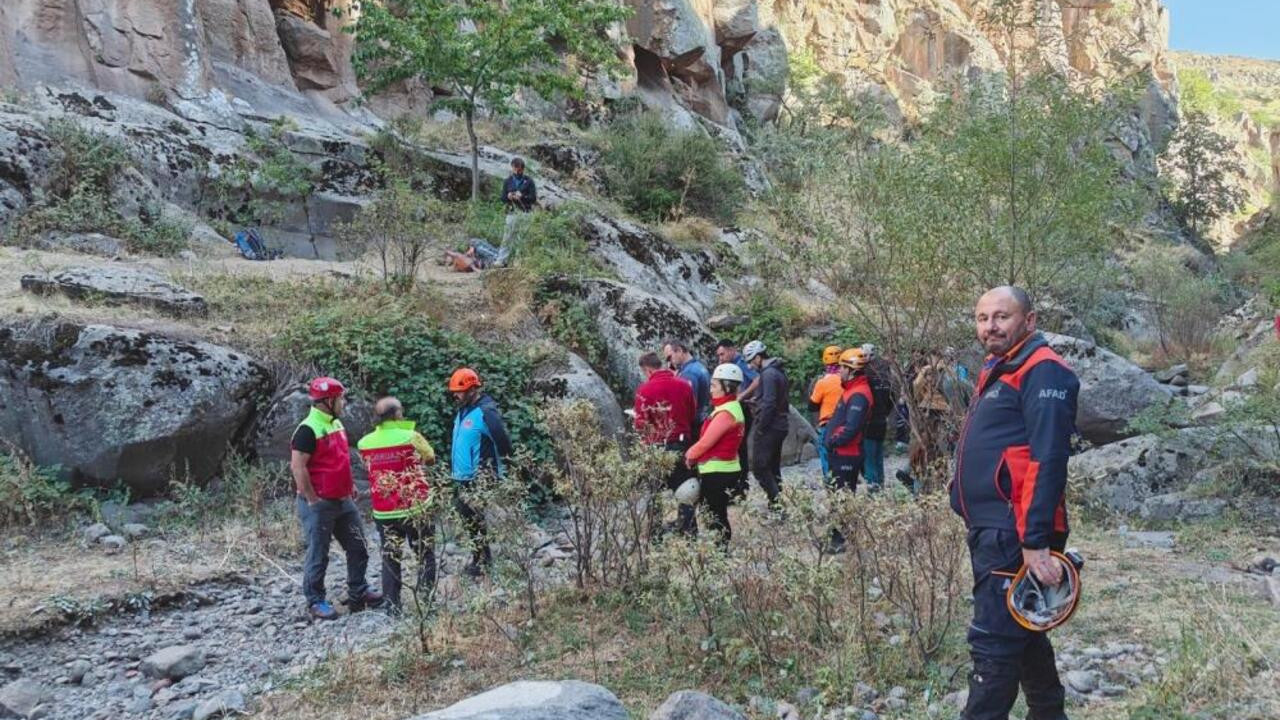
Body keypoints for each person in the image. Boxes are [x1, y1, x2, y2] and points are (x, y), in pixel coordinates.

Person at [951, 286, 1079, 720]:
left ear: (1029, 320)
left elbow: (1048, 458)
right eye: (983, 318)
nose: (990, 326)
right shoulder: (1002, 367)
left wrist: (1036, 539)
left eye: (1002, 317)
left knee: (993, 642)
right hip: (996, 527)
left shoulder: (1043, 371)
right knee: (1023, 628)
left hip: (1016, 529)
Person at [290, 377, 381, 620]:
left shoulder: (336, 424)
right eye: (341, 398)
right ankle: (315, 600)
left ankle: (358, 591)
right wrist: (311, 499)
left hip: (342, 500)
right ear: (329, 401)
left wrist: (349, 485)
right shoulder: (307, 429)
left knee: (358, 545)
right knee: (319, 553)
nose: (344, 402)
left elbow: (339, 460)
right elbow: (298, 467)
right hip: (319, 503)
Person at [357, 397, 437, 616]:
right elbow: (430, 458)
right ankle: (427, 603)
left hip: (384, 511)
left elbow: (368, 467)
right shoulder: (411, 437)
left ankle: (393, 607)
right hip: (415, 508)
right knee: (425, 554)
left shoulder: (364, 443)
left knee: (390, 557)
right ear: (397, 414)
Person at [448, 367, 513, 577]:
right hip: (462, 476)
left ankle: (484, 562)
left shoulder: (486, 411)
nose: (455, 396)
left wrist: (505, 467)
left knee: (474, 518)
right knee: (469, 518)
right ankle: (481, 559)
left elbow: (502, 440)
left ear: (472, 389)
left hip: (479, 476)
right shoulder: (464, 410)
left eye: (459, 391)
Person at [633, 351, 698, 534]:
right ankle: (688, 530)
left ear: (647, 370)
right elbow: (692, 413)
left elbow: (641, 423)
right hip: (681, 442)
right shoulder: (684, 385)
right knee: (686, 489)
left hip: (656, 445)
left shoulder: (644, 390)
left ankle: (655, 533)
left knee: (654, 491)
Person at [683, 364, 747, 544]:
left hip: (718, 471)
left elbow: (706, 441)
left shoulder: (726, 412)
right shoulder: (729, 407)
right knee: (715, 512)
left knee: (715, 514)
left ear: (727, 387)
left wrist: (689, 455)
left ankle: (721, 551)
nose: (710, 390)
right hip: (722, 469)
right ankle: (720, 548)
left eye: (714, 386)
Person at [822, 348, 873, 550]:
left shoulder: (859, 394)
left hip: (847, 454)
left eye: (842, 367)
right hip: (843, 453)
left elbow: (852, 427)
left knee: (842, 498)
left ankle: (839, 540)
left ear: (850, 369)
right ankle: (841, 536)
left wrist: (833, 441)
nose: (839, 371)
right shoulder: (853, 389)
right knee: (840, 497)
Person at [743, 340, 789, 508]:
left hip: (770, 426)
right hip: (781, 424)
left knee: (760, 467)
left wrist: (761, 426)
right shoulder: (778, 371)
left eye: (750, 361)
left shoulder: (768, 374)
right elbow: (776, 397)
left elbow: (770, 403)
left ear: (758, 358)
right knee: (773, 467)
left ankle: (777, 504)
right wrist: (757, 400)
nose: (749, 366)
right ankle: (778, 504)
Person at [715, 339, 758, 500]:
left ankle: (741, 486)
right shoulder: (731, 365)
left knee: (740, 448)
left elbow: (757, 379)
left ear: (732, 350)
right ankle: (736, 486)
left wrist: (742, 395)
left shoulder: (742, 363)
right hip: (737, 406)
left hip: (743, 408)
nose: (721, 358)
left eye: (722, 354)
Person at [807, 345, 844, 481]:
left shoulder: (822, 382)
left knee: (826, 454)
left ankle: (830, 483)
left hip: (828, 424)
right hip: (847, 423)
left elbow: (812, 406)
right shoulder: (848, 379)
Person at [860, 344, 894, 491]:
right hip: (882, 419)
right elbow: (892, 397)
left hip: (869, 421)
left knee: (869, 456)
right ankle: (880, 483)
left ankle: (873, 486)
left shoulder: (866, 378)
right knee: (878, 454)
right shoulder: (886, 376)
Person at [663, 339, 711, 424]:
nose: (669, 362)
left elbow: (687, 404)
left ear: (680, 351)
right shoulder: (699, 366)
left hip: (694, 423)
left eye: (670, 357)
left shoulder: (689, 373)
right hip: (703, 416)